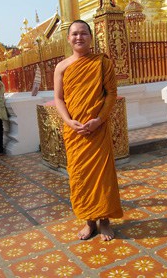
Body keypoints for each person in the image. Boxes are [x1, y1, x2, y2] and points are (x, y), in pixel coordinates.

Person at [54, 20, 123, 241]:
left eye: (83, 33)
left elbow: (111, 94)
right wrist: (68, 121)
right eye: (74, 34)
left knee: (102, 176)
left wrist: (99, 120)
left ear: (91, 37)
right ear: (68, 38)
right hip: (75, 132)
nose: (79, 37)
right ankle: (89, 221)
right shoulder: (62, 67)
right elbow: (58, 98)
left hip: (97, 129)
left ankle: (104, 221)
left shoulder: (102, 63)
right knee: (80, 176)